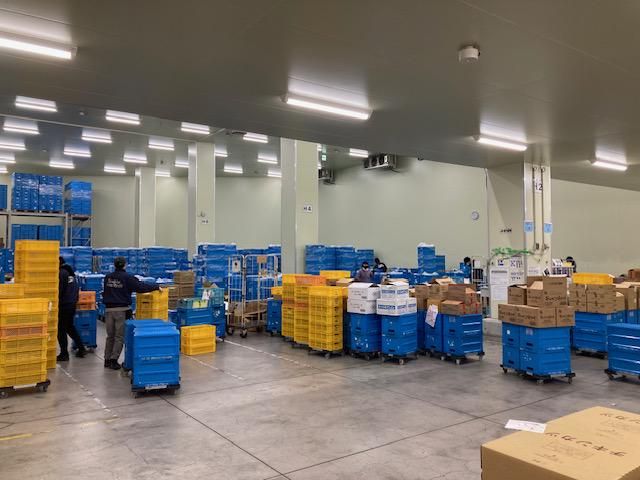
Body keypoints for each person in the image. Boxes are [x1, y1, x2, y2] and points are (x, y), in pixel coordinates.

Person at [102, 256, 160, 370]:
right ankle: (114, 360)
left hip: (108, 310)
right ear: (125, 265)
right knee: (119, 336)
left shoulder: (108, 277)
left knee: (110, 336)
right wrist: (156, 286)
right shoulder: (127, 277)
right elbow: (140, 287)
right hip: (121, 310)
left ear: (114, 265)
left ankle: (107, 359)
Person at [58, 257, 86, 361]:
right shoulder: (71, 273)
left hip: (64, 304)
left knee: (61, 329)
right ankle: (81, 348)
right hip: (72, 303)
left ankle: (64, 354)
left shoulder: (61, 273)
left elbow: (59, 290)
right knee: (69, 327)